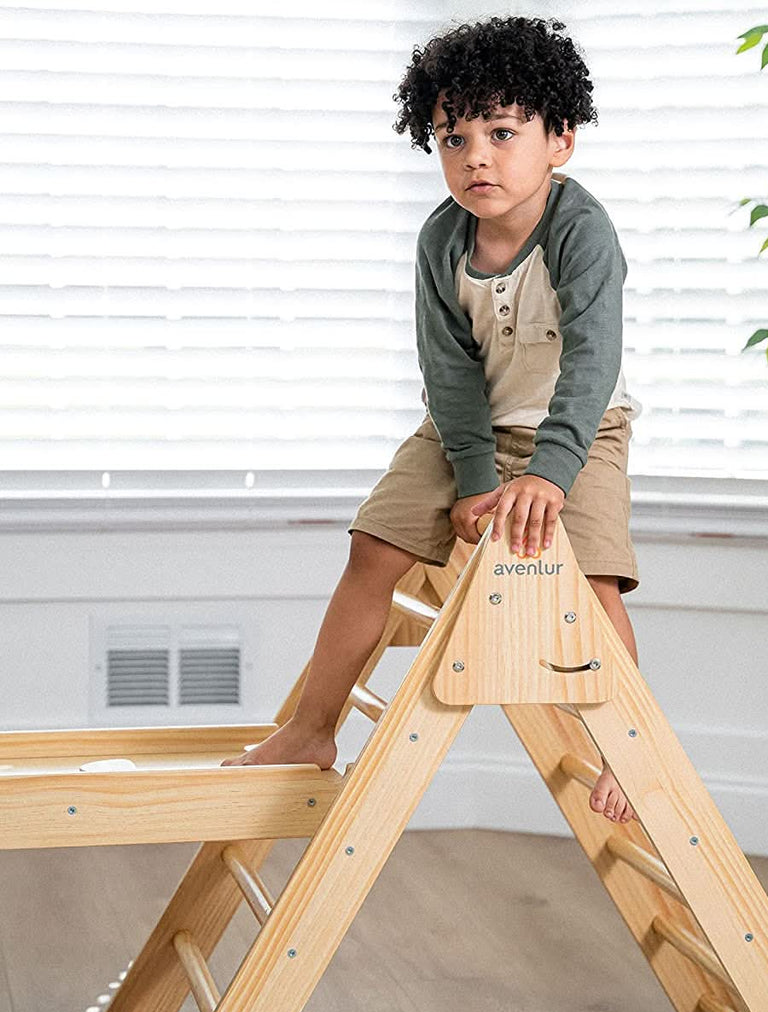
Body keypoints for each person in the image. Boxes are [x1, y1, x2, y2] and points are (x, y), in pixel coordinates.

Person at [222, 14, 643, 824]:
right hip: (467, 428)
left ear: (561, 140)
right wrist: (476, 480)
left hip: (579, 429)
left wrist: (551, 476)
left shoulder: (581, 232)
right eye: (453, 137)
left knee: (589, 582)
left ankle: (626, 742)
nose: (476, 154)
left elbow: (592, 366)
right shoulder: (441, 240)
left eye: (501, 131)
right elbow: (448, 374)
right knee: (372, 546)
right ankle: (312, 728)